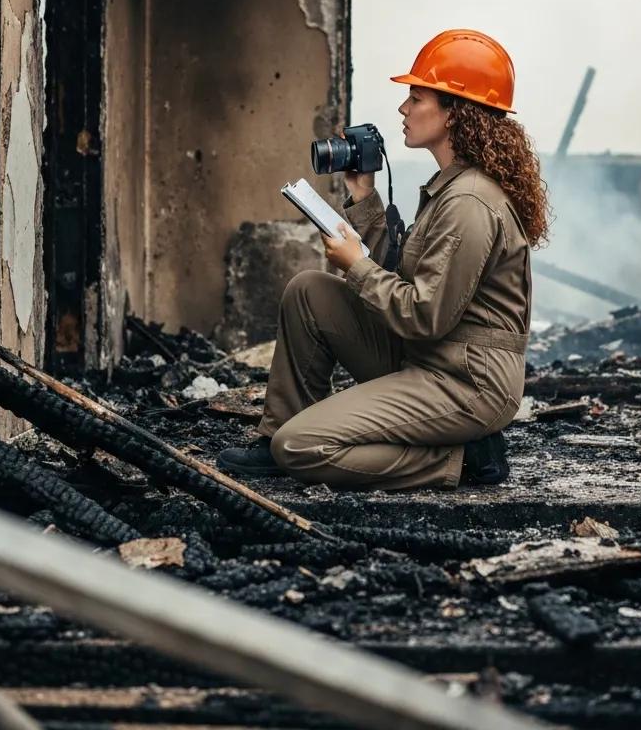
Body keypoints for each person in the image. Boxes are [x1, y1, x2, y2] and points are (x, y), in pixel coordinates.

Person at [218, 29, 550, 490]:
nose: (403, 109)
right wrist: (364, 197)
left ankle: (462, 460)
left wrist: (356, 264)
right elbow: (403, 273)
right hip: (433, 358)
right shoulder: (452, 188)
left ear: (454, 112)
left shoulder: (469, 203)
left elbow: (423, 315)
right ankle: (275, 433)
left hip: (468, 381)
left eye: (416, 98)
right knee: (310, 292)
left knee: (301, 447)